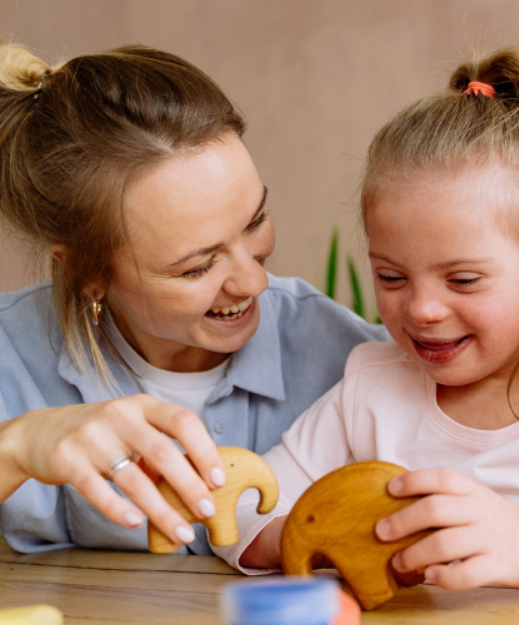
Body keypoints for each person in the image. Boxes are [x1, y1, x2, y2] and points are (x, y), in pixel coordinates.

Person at [227, 48, 519, 598]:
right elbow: (247, 505)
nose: (421, 309)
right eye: (392, 278)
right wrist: (307, 538)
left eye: (463, 280)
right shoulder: (371, 388)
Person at [0, 43, 387, 554]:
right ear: (87, 271)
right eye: (198, 266)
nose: (252, 283)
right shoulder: (13, 354)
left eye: (255, 223)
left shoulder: (349, 358)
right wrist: (19, 448)